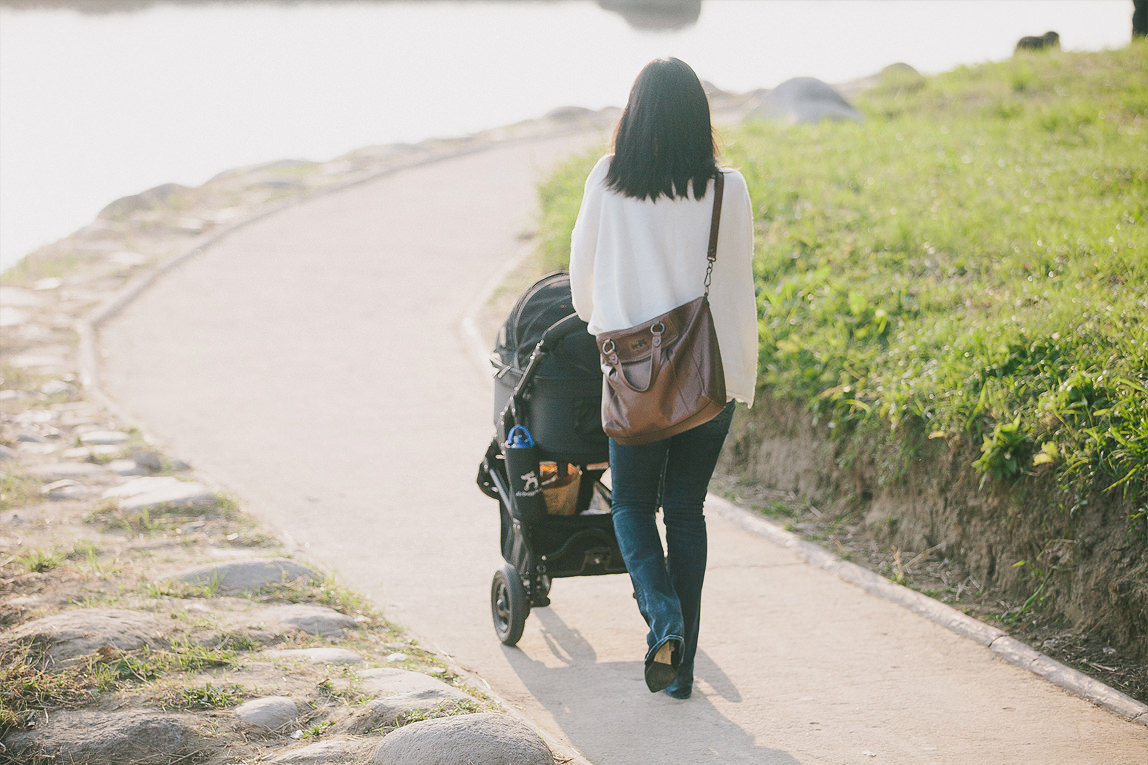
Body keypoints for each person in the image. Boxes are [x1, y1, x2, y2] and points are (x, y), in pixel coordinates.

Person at [569, 57, 758, 699]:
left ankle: (663, 620)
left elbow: (580, 286)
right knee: (685, 510)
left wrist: (612, 325)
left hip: (633, 373)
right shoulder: (728, 188)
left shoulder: (608, 178)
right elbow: (736, 286)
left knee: (629, 504)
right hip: (711, 372)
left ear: (636, 112)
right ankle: (683, 670)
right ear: (698, 118)